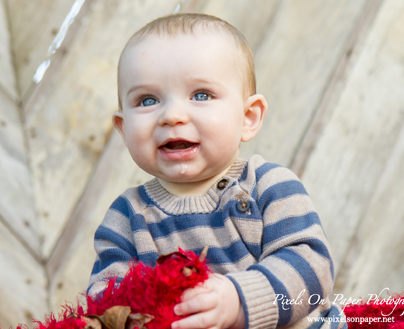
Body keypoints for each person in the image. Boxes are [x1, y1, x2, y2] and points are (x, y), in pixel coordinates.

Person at [87, 14, 345, 329]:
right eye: (148, 100)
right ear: (124, 129)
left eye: (201, 95)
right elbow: (105, 299)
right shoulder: (127, 218)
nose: (172, 115)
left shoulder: (268, 186)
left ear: (248, 117)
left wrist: (240, 300)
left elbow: (312, 268)